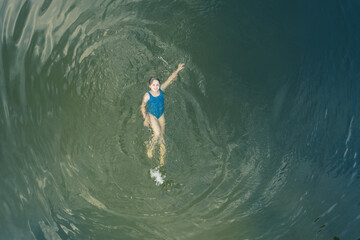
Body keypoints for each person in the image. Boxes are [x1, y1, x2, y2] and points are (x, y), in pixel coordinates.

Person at [140, 63, 185, 166]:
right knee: (157, 133)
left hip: (161, 115)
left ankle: (161, 159)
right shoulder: (147, 95)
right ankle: (150, 148)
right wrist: (145, 118)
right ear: (150, 86)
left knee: (162, 136)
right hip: (152, 115)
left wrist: (177, 70)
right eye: (153, 85)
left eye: (157, 84)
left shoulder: (161, 90)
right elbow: (142, 106)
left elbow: (170, 79)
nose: (156, 86)